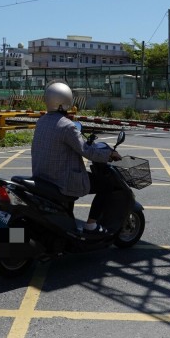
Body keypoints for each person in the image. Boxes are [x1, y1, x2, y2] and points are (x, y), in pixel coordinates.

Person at [31, 81, 125, 234]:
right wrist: (109, 154)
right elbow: (86, 151)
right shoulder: (67, 126)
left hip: (43, 176)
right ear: (65, 103)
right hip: (61, 180)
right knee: (106, 185)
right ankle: (91, 225)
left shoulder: (41, 122)